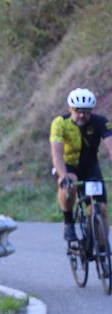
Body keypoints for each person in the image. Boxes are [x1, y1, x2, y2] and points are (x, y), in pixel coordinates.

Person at [49, 87, 112, 242]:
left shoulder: (100, 122)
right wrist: (63, 176)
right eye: (78, 111)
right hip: (67, 165)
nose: (83, 115)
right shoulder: (60, 123)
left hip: (90, 166)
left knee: (101, 209)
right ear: (70, 108)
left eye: (87, 111)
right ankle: (68, 221)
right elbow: (56, 154)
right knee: (69, 183)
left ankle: (100, 250)